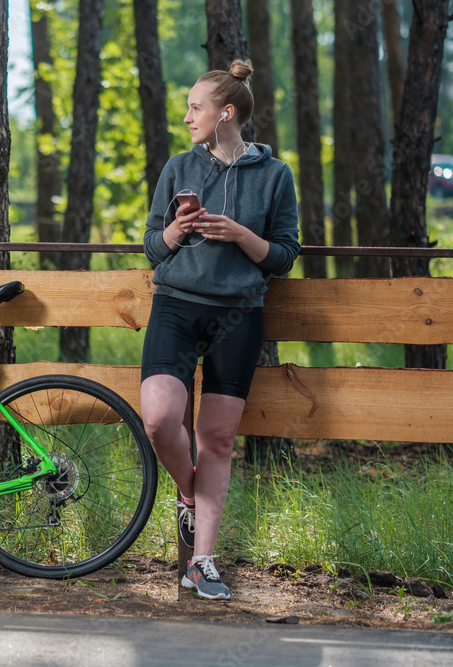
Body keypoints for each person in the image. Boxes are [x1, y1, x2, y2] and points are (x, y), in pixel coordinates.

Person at [140, 60, 300, 600]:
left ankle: (200, 562)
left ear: (225, 113)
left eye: (195, 107)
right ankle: (190, 493)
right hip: (176, 307)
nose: (187, 117)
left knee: (216, 440)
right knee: (161, 420)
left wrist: (238, 235)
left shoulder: (275, 176)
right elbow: (151, 248)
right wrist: (177, 229)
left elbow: (282, 257)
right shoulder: (178, 167)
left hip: (239, 315)